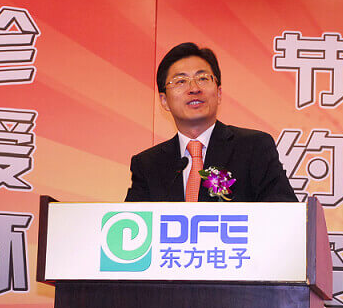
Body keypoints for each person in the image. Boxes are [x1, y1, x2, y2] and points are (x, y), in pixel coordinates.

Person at [125, 42, 297, 202]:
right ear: (164, 101)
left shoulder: (254, 148)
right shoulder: (147, 165)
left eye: (203, 78)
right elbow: (132, 220)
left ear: (219, 93)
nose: (194, 89)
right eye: (181, 81)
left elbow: (284, 212)